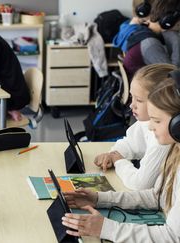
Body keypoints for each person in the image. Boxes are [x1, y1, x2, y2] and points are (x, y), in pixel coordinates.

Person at [61, 74, 180, 242]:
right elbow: (157, 196)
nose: (151, 127)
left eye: (157, 121)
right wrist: (99, 199)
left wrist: (106, 228)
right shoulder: (176, 150)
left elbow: (172, 237)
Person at [94, 64, 175, 190]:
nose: (132, 105)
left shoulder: (163, 139)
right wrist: (112, 155)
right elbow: (130, 143)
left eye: (139, 100)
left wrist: (119, 162)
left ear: (161, 102)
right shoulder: (146, 122)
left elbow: (140, 184)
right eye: (132, 97)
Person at [123, 0, 180, 79]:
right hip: (145, 89)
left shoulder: (144, 32)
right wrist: (175, 39)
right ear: (168, 21)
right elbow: (173, 77)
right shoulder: (151, 44)